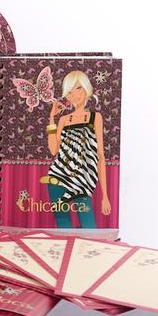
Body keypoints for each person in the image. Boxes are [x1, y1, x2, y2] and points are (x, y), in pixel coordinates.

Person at [43, 70, 111, 228]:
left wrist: (105, 196)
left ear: (87, 88)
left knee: (89, 226)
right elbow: (53, 150)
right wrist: (52, 119)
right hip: (58, 177)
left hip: (82, 180)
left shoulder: (95, 117)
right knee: (63, 227)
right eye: (70, 91)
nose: (75, 94)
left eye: (79, 88)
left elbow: (100, 155)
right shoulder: (64, 120)